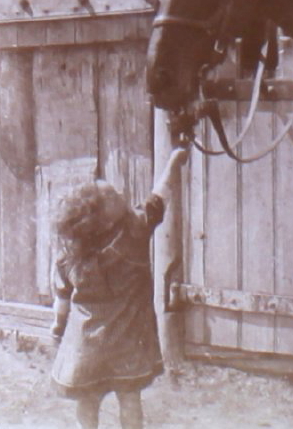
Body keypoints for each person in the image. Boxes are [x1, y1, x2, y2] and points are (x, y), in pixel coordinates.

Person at [50, 147, 188, 429]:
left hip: (86, 344)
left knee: (87, 403)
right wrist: (174, 160)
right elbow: (162, 193)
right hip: (127, 343)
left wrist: (56, 328)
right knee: (129, 399)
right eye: (112, 195)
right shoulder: (135, 232)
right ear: (104, 219)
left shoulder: (69, 258)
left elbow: (62, 302)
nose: (120, 192)